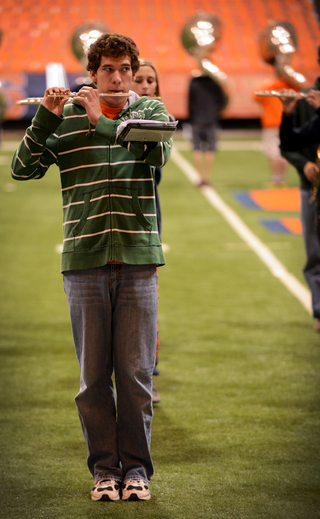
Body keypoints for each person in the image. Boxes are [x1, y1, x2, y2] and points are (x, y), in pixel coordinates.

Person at [11, 33, 173, 501]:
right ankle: (105, 469)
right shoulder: (65, 121)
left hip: (139, 261)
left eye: (125, 69)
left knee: (137, 377)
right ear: (93, 73)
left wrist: (100, 119)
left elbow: (155, 154)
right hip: (83, 263)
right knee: (92, 382)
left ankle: (137, 472)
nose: (118, 78)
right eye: (108, 70)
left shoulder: (150, 112)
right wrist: (46, 116)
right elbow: (22, 169)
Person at [278, 62, 320, 331]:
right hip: (313, 188)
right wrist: (287, 115)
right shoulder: (310, 98)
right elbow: (290, 143)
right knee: (314, 252)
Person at [132, 59, 163, 404]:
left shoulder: (158, 122)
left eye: (149, 80)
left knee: (147, 310)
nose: (143, 85)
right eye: (137, 79)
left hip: (147, 226)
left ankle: (149, 375)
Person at [253, 76, 295, 187]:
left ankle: (276, 179)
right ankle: (282, 179)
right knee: (283, 152)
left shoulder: (269, 86)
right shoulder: (290, 85)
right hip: (285, 122)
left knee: (274, 153)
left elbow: (255, 96)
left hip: (271, 124)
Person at [188, 72, 225, 187]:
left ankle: (200, 178)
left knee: (197, 148)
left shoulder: (194, 82)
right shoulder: (215, 81)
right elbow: (222, 100)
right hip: (211, 119)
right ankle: (207, 177)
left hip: (197, 119)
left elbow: (190, 102)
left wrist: (191, 117)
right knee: (211, 148)